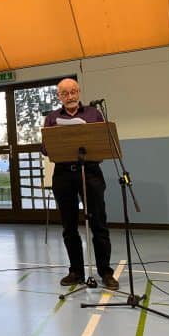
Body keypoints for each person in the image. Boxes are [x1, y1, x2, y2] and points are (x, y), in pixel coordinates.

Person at [43, 78, 119, 290]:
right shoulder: (52, 118)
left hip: (91, 173)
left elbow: (104, 142)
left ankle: (105, 272)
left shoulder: (94, 114)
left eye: (73, 92)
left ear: (79, 92)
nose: (70, 96)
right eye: (64, 93)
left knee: (99, 224)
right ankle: (76, 271)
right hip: (63, 174)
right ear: (59, 96)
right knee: (69, 226)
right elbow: (46, 148)